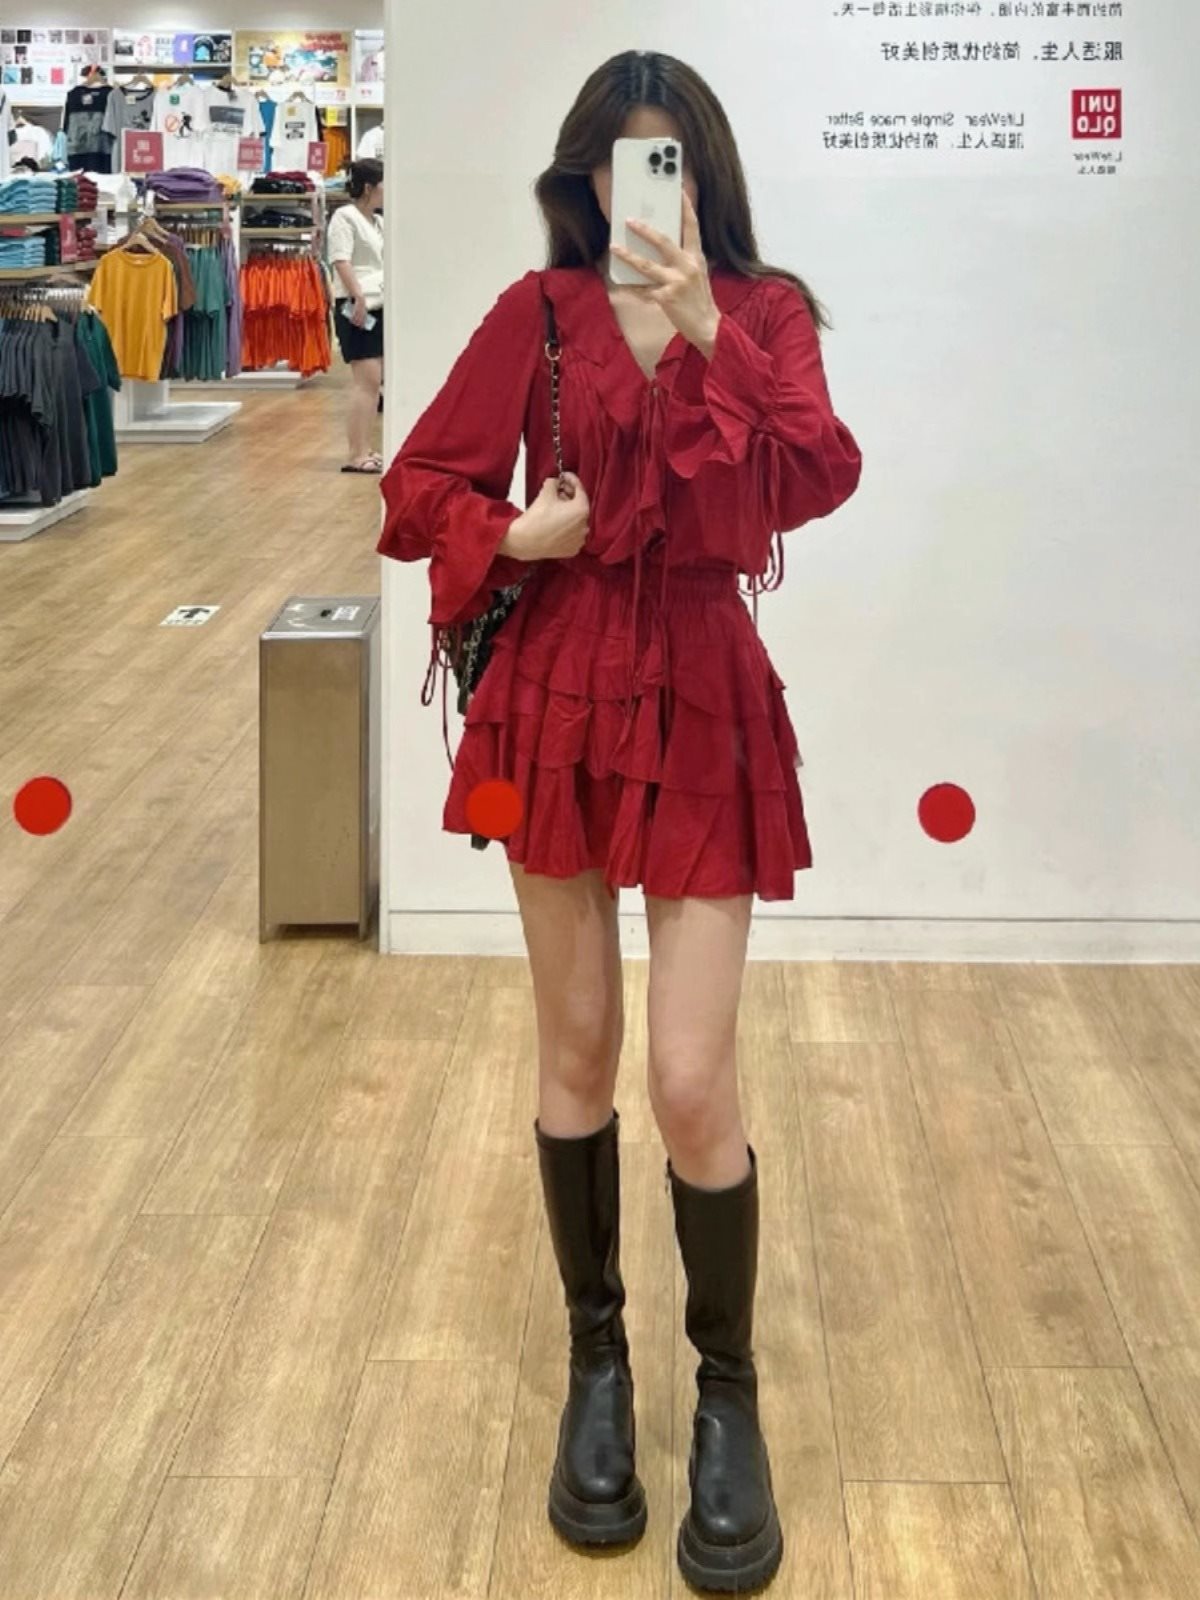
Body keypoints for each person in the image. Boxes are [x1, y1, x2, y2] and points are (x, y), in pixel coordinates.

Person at [379, 50, 862, 1594]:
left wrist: (715, 329)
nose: (641, 184)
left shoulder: (767, 313)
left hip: (705, 691)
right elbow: (415, 485)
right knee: (577, 1053)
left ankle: (729, 1389)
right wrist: (512, 533)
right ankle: (600, 1361)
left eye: (668, 157)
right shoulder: (538, 315)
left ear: (704, 170)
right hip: (560, 693)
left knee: (692, 1078)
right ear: (584, 178)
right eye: (617, 161)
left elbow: (819, 475)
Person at [328, 157, 385, 472]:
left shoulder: (377, 222)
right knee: (367, 381)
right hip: (357, 305)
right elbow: (341, 260)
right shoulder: (344, 217)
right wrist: (358, 297)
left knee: (374, 382)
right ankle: (355, 454)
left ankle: (365, 448)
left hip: (378, 304)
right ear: (368, 187)